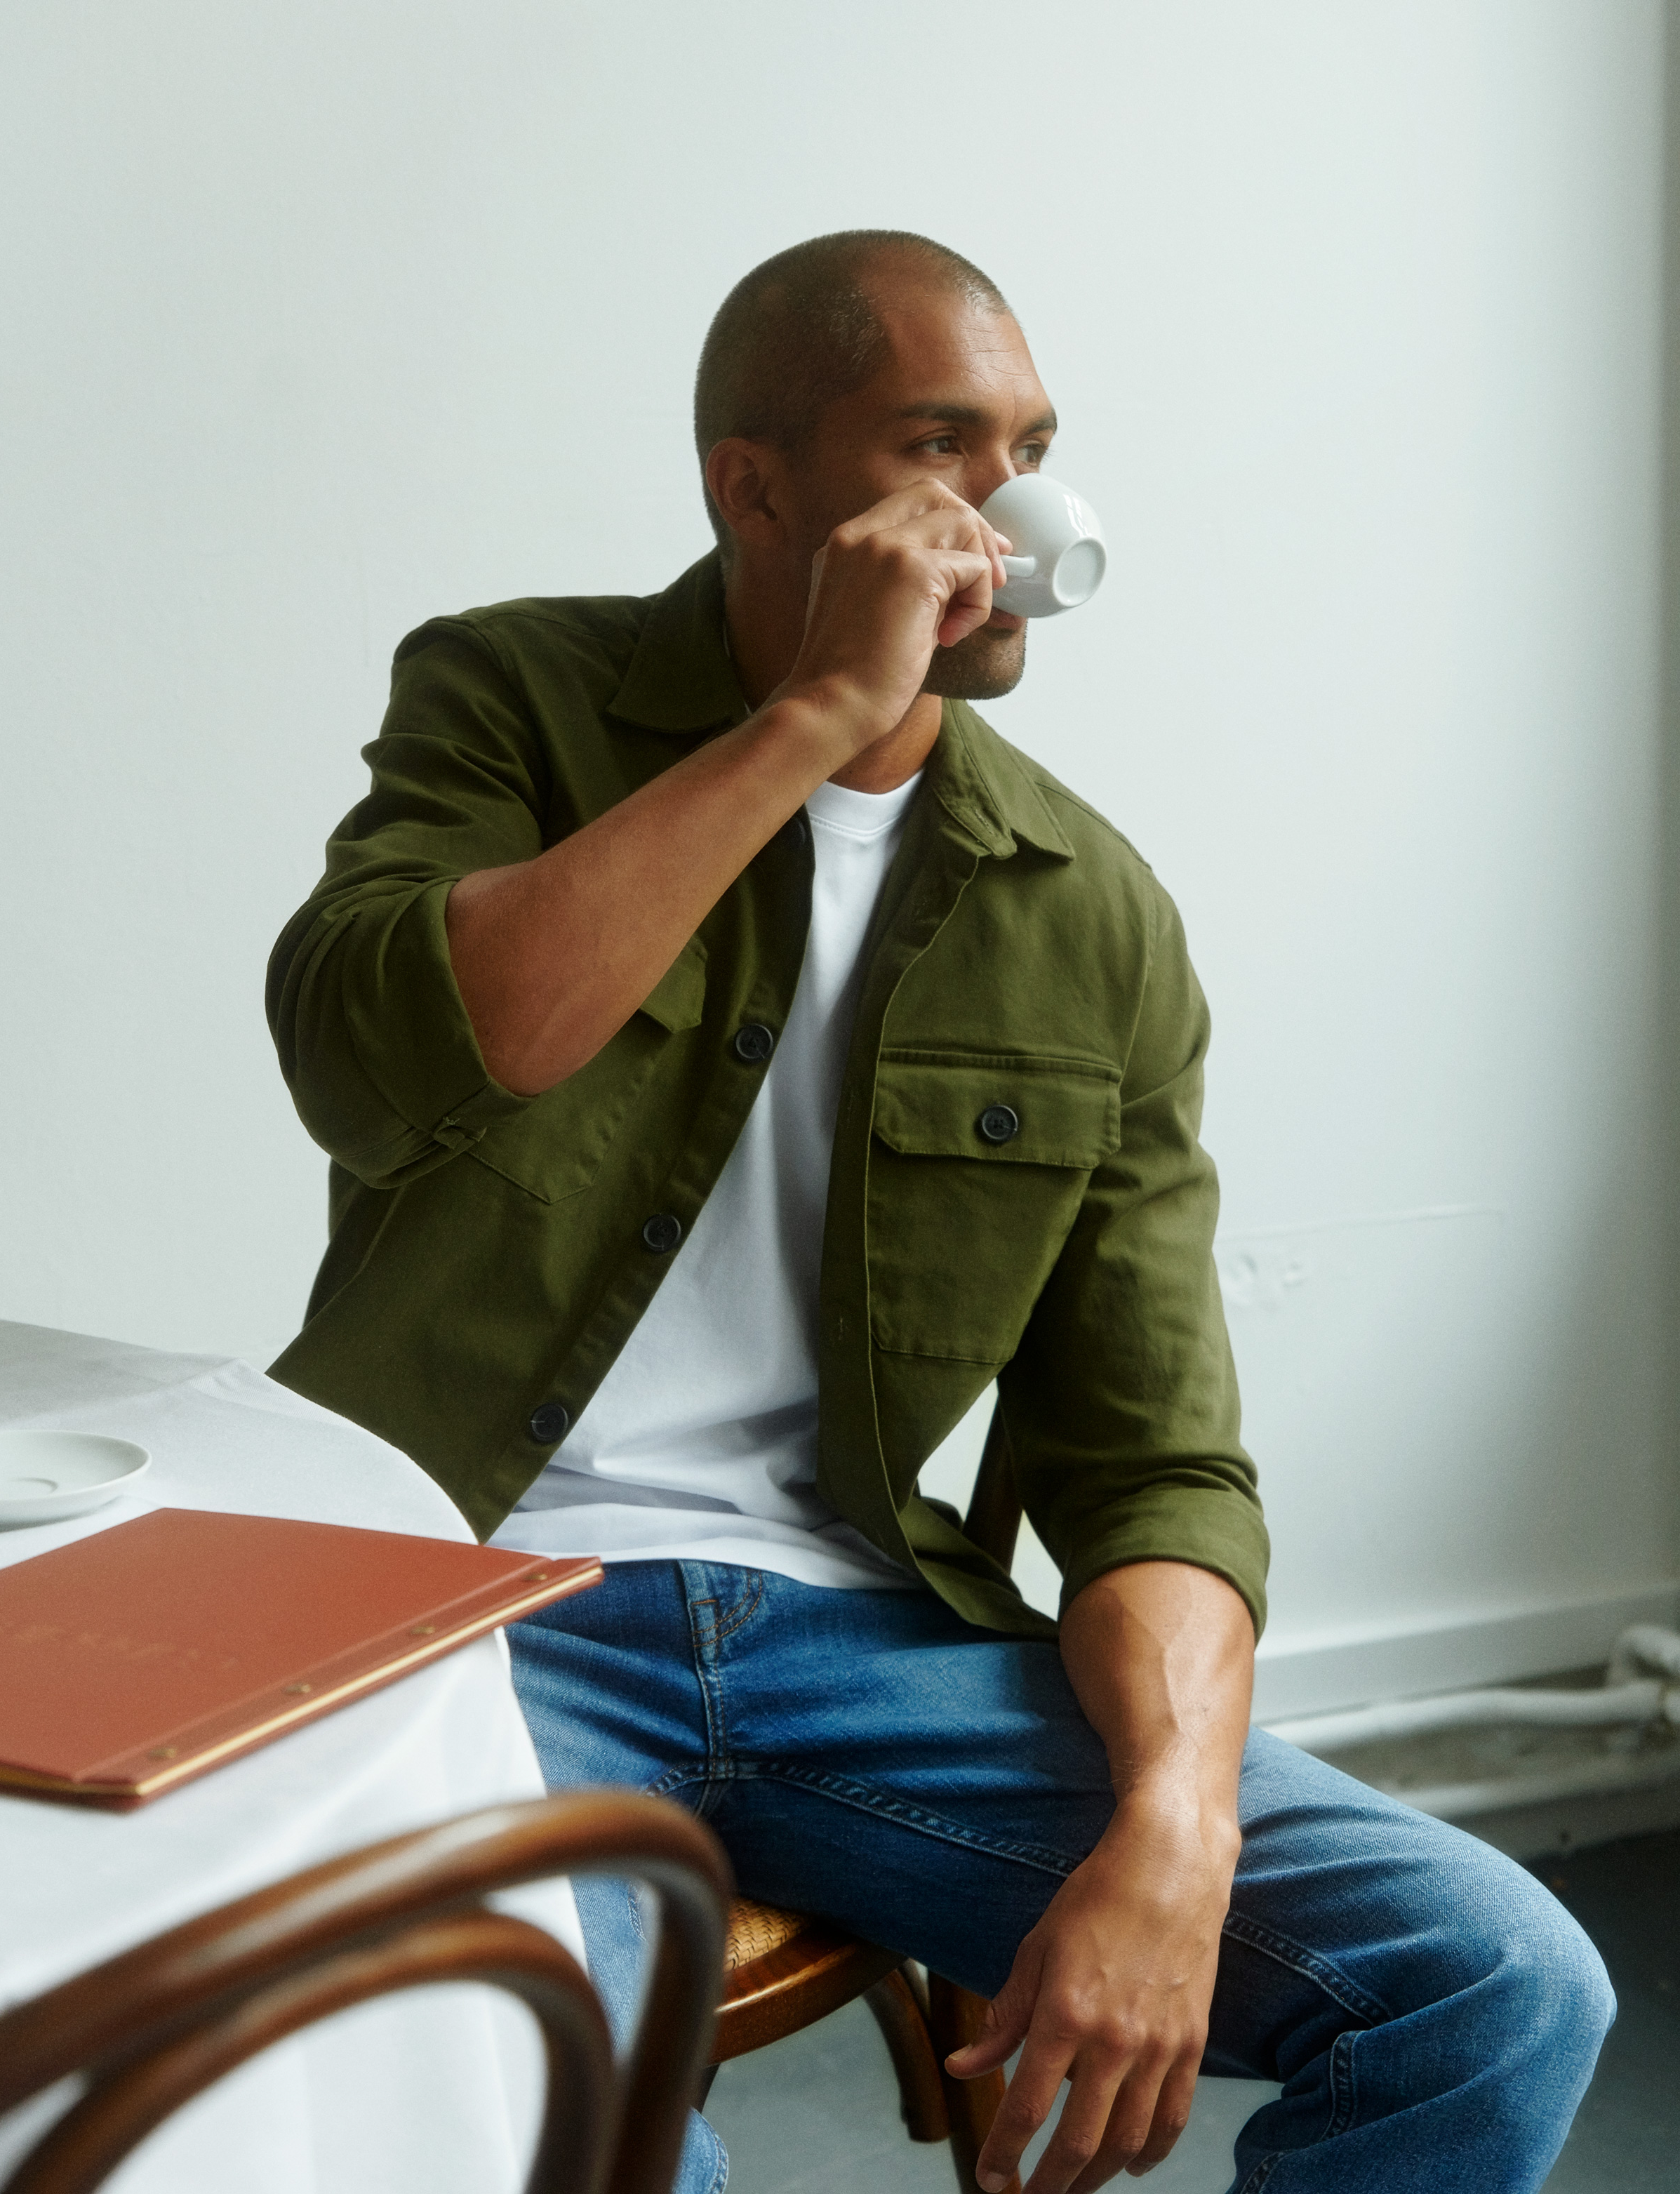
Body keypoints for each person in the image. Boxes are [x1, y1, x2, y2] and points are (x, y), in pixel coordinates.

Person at [267, 232, 1613, 2193]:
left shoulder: (1089, 910)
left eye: (1031, 451)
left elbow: (1153, 1460)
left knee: (1496, 1981)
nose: (1005, 506)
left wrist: (1176, 1832)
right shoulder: (513, 696)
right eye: (937, 446)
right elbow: (419, 1052)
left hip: (866, 1648)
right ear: (756, 489)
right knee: (581, 2114)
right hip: (486, 1613)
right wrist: (820, 711)